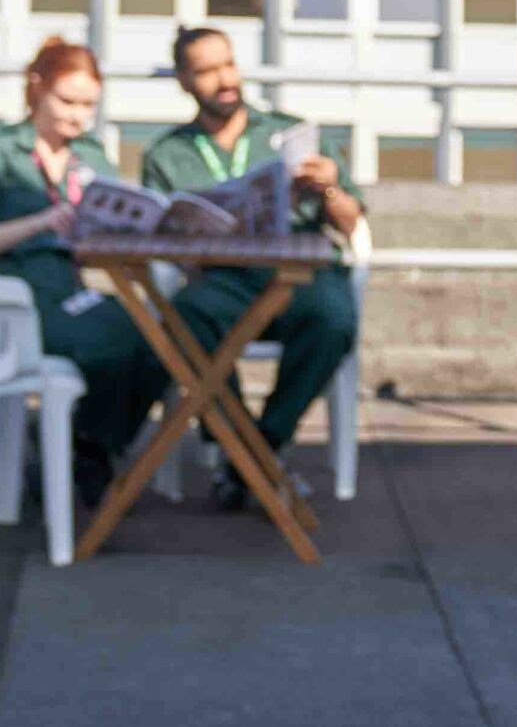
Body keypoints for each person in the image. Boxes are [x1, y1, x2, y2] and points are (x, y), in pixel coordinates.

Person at [0, 37, 173, 512]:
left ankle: (84, 442)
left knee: (167, 340)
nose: (78, 116)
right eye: (67, 101)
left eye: (89, 105)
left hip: (71, 291)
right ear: (36, 89)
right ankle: (88, 450)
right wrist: (41, 222)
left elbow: (102, 239)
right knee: (111, 343)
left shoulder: (90, 155)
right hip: (12, 298)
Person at [141, 26, 364, 511]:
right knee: (182, 320)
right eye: (205, 70)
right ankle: (244, 450)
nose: (223, 79)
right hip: (222, 278)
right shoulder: (166, 155)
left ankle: (256, 450)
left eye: (228, 64)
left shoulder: (290, 132)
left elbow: (352, 223)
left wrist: (327, 189)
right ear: (183, 80)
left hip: (299, 270)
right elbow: (159, 239)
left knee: (334, 318)